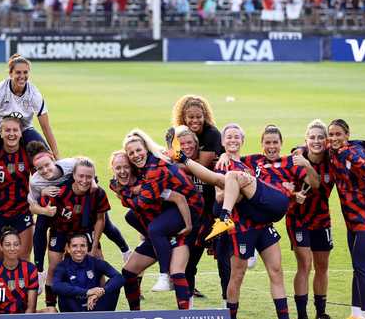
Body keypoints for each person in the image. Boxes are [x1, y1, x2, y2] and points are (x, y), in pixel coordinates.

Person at [180, 123, 316, 319]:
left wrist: (292, 188)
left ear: (243, 141)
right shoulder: (221, 163)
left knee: (276, 271)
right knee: (237, 275)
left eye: (237, 137)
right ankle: (231, 315)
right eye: (229, 137)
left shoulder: (251, 162)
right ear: (223, 141)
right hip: (242, 227)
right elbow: (218, 196)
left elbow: (278, 168)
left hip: (262, 225)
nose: (233, 140)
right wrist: (229, 190)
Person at [26, 141, 131, 293]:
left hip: (78, 194)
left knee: (103, 223)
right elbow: (32, 205)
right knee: (41, 228)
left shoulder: (70, 165)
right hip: (53, 204)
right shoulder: (36, 181)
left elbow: (85, 168)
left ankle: (125, 251)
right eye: (39, 168)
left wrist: (93, 181)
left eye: (47, 165)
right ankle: (40, 271)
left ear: (53, 159)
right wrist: (44, 208)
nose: (44, 170)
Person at [111, 147, 200, 311]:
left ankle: (184, 314)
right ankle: (135, 314)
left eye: (126, 167)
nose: (122, 171)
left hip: (175, 232)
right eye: (118, 168)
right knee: (128, 272)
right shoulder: (117, 187)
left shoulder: (148, 184)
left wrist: (188, 225)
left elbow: (179, 198)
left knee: (177, 272)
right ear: (112, 169)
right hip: (156, 235)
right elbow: (137, 212)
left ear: (132, 168)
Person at [327, 119, 365, 319]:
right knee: (357, 267)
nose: (334, 138)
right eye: (332, 134)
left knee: (362, 267)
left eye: (338, 134)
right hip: (352, 218)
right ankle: (356, 314)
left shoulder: (351, 153)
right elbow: (314, 146)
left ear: (347, 135)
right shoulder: (332, 151)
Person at [169, 125, 229, 306]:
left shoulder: (209, 165)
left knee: (225, 266)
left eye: (190, 142)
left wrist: (225, 154)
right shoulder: (174, 167)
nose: (186, 146)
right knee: (188, 266)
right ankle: (188, 309)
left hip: (212, 222)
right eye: (182, 143)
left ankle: (228, 307)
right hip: (191, 224)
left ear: (197, 145)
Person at [40, 157, 111, 307]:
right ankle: (50, 306)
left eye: (88, 177)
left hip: (84, 231)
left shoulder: (97, 193)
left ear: (93, 178)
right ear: (73, 175)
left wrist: (94, 246)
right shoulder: (60, 191)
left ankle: (101, 302)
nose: (84, 180)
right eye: (81, 176)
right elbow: (43, 213)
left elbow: (100, 220)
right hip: (60, 230)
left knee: (98, 262)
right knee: (53, 266)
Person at [0, 54, 58, 174]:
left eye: (25, 72)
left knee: (45, 158)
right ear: (10, 74)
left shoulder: (34, 94)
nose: (22, 76)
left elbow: (46, 127)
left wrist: (56, 155)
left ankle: (41, 189)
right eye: (18, 72)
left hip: (24, 129)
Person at [287, 120, 334, 319]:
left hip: (321, 219)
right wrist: (291, 191)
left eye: (320, 137)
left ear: (327, 140)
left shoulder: (332, 162)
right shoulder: (295, 157)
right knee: (305, 265)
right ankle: (302, 314)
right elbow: (284, 181)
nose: (316, 141)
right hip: (298, 219)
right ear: (306, 139)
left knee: (322, 267)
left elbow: (321, 190)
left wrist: (308, 165)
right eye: (312, 137)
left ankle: (321, 312)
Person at [0, 115, 34, 262]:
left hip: (22, 211)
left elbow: (40, 178)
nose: (11, 134)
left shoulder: (28, 153)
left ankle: (26, 285)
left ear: (21, 132)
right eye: (7, 130)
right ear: (0, 132)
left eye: (15, 130)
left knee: (23, 257)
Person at [0, 228, 57, 314]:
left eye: (16, 244)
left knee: (51, 311)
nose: (12, 248)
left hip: (23, 315)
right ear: (1, 247)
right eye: (7, 245)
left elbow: (31, 307)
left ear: (20, 246)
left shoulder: (30, 269)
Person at [52, 234, 124, 312]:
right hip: (74, 309)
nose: (79, 249)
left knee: (113, 287)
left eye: (83, 245)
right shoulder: (62, 266)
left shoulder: (95, 262)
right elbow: (56, 286)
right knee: (63, 290)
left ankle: (104, 316)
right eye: (74, 246)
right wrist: (87, 292)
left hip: (95, 306)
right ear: (68, 248)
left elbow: (119, 277)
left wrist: (101, 291)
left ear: (87, 248)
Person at [170, 94, 223, 166]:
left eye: (199, 117)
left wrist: (174, 166)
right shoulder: (180, 133)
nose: (195, 120)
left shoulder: (212, 134)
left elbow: (202, 166)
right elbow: (175, 157)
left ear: (204, 116)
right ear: (184, 118)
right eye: (191, 117)